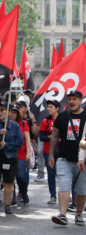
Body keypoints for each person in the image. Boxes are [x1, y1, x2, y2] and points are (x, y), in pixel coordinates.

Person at [49, 90, 86, 226]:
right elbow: (55, 136)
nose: (71, 101)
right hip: (64, 159)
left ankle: (78, 214)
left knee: (81, 190)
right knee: (64, 185)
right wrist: (51, 155)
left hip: (83, 162)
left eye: (74, 99)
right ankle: (63, 215)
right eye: (69, 99)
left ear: (80, 101)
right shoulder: (62, 116)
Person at [0, 102, 23, 216]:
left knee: (8, 183)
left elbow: (19, 141)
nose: (0, 112)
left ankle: (7, 205)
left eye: (3, 110)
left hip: (9, 158)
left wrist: (7, 145)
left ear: (8, 112)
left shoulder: (15, 126)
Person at [9, 104, 31, 205]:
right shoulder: (6, 124)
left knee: (20, 176)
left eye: (14, 112)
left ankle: (24, 192)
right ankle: (12, 197)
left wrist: (29, 153)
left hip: (21, 154)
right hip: (9, 153)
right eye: (11, 112)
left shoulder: (23, 123)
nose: (12, 114)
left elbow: (27, 139)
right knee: (10, 177)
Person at [39, 100, 60, 204]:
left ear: (57, 108)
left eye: (51, 107)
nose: (49, 109)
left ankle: (66, 194)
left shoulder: (63, 119)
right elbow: (41, 137)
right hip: (48, 151)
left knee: (63, 173)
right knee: (51, 173)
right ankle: (53, 195)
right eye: (48, 107)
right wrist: (50, 137)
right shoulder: (45, 121)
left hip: (62, 150)